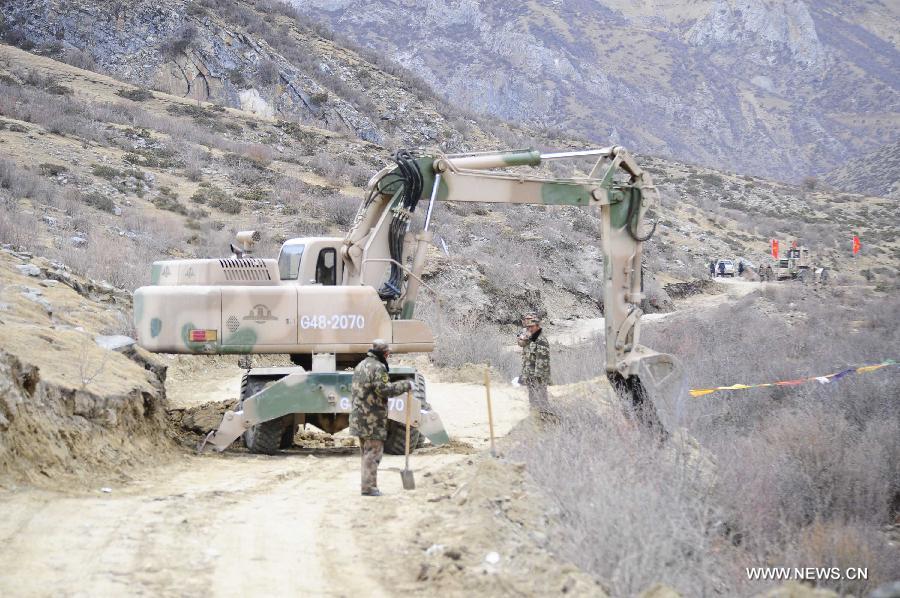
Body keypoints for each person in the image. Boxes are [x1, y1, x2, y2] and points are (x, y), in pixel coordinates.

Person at [349, 339, 412, 496]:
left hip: (359, 418)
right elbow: (383, 390)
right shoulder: (378, 368)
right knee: (374, 452)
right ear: (384, 353)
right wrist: (406, 385)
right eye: (388, 353)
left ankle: (368, 485)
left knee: (366, 453)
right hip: (372, 419)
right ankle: (369, 488)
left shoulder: (361, 365)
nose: (388, 356)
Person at [519, 313, 553, 419]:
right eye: (528, 327)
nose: (529, 329)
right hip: (529, 376)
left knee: (542, 400)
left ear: (538, 326)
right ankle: (534, 417)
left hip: (538, 377)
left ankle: (544, 418)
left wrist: (539, 380)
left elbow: (542, 363)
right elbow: (521, 343)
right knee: (533, 402)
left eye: (532, 326)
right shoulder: (531, 338)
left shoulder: (541, 340)